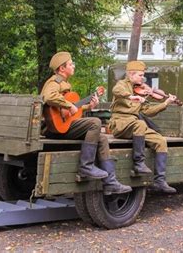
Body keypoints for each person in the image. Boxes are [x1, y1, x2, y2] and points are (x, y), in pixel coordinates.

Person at [41, 51, 131, 195]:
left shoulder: (65, 84)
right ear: (62, 68)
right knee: (95, 122)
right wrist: (69, 105)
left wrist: (88, 106)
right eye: (71, 64)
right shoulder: (55, 81)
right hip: (54, 129)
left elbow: (69, 112)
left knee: (101, 138)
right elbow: (49, 96)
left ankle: (111, 183)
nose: (73, 66)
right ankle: (86, 166)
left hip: (63, 127)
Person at [109, 60, 177, 194]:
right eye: (140, 75)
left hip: (134, 124)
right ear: (131, 74)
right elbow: (116, 90)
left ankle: (159, 181)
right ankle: (138, 163)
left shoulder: (141, 91)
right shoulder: (122, 85)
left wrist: (166, 103)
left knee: (161, 141)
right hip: (120, 123)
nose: (143, 78)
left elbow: (147, 111)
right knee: (140, 123)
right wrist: (131, 96)